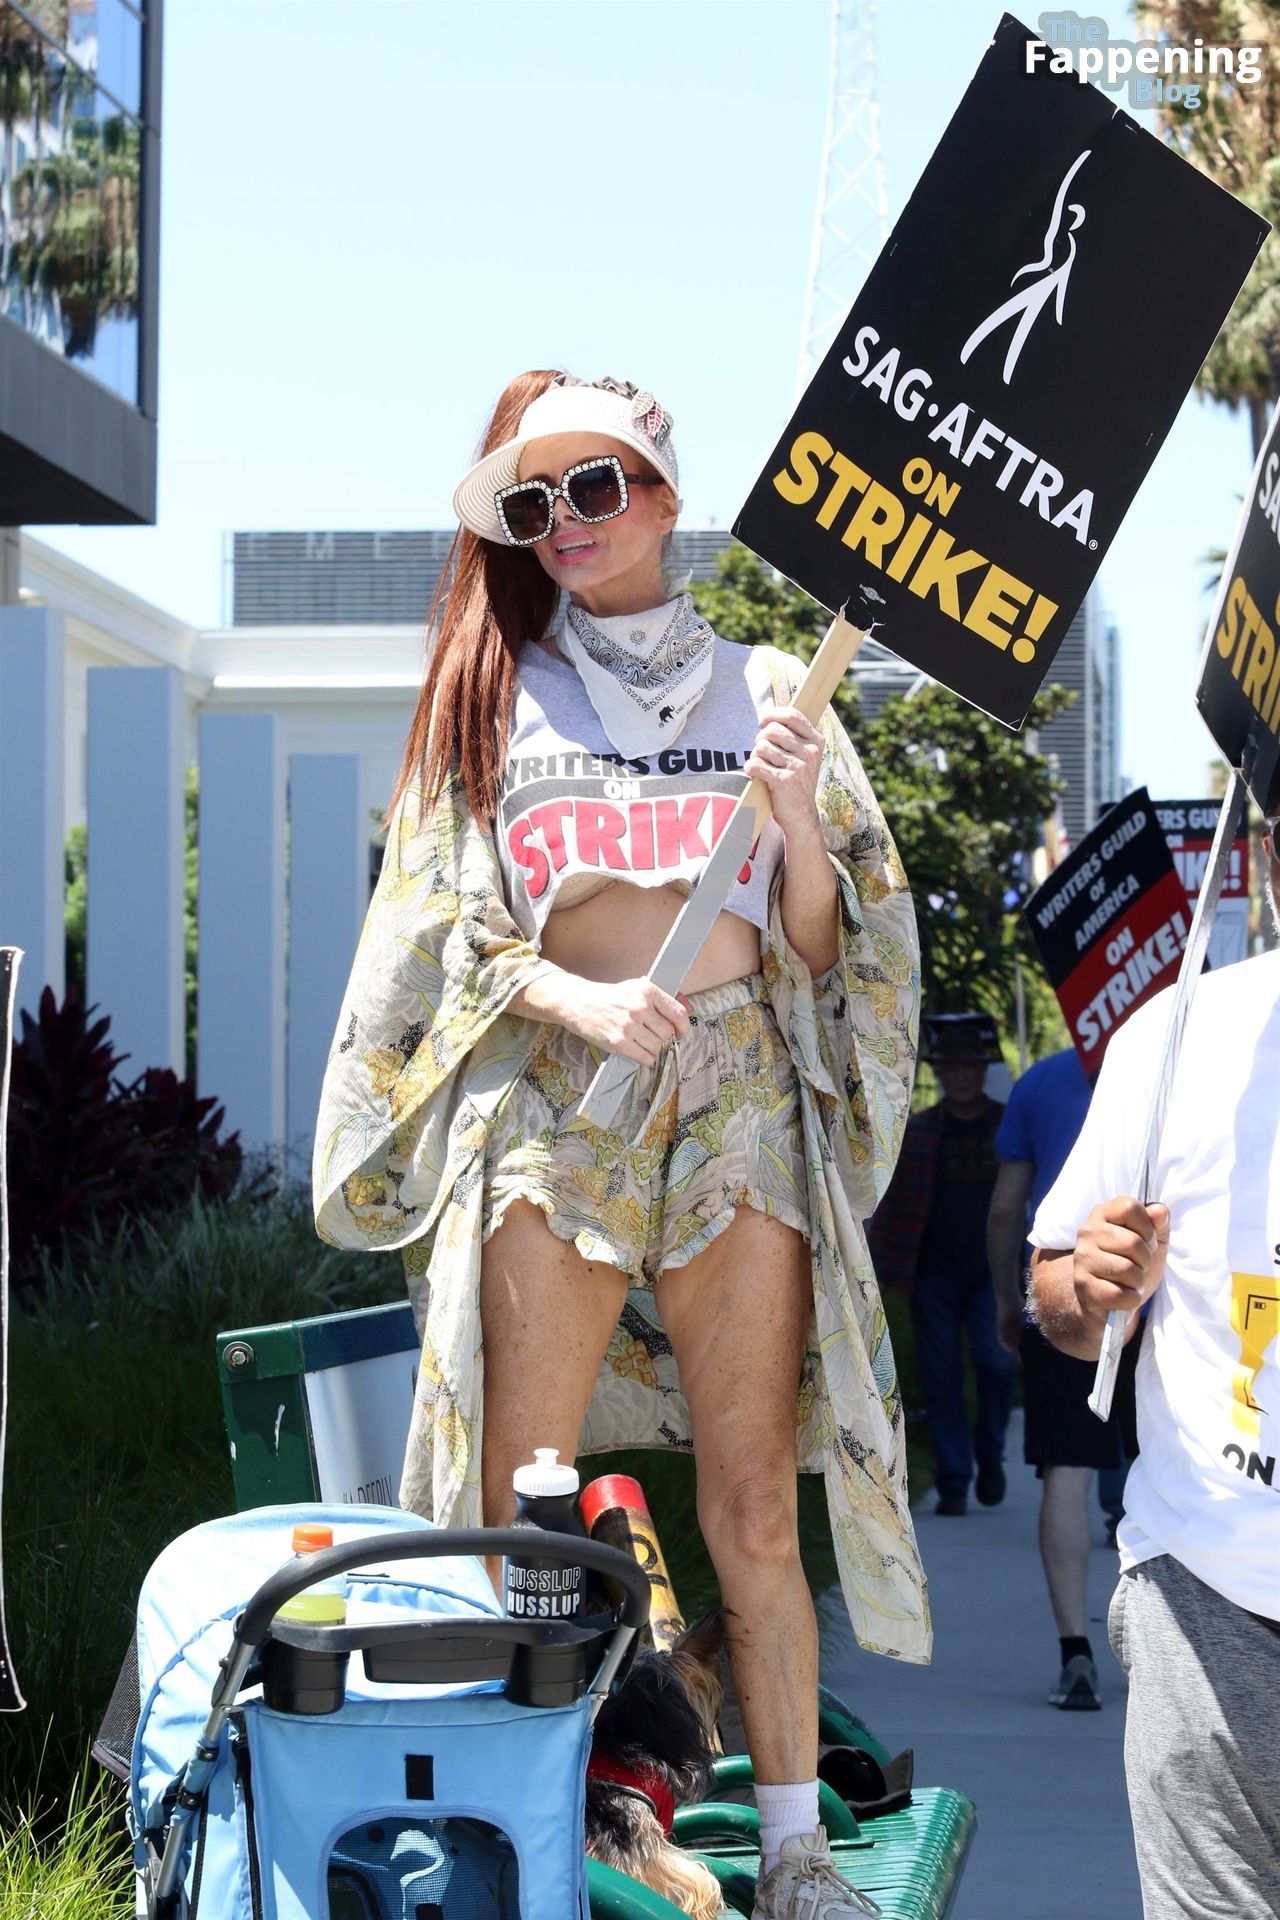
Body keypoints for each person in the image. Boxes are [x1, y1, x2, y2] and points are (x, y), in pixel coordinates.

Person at [313, 369, 927, 1919]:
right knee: (528, 1497)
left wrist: (792, 817)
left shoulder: (779, 685)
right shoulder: (489, 693)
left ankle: (793, 1853)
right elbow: (446, 929)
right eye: (535, 504)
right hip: (552, 1104)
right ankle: (520, 1832)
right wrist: (577, 1001)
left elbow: (825, 941)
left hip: (735, 1101)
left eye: (595, 490)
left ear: (661, 496)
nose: (566, 525)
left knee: (745, 1505)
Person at [1027, 815, 1280, 1919]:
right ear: (1268, 859)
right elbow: (1054, 1299)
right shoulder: (1176, 1038)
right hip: (1204, 1595)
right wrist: (1086, 1285)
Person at [987, 1044, 1142, 1711]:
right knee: (1169, 1464)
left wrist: (1006, 1300)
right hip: (1165, 1287)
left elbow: (1004, 1210)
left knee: (1068, 1473)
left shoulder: (1041, 1081)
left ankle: (1076, 1651)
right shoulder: (1183, 1058)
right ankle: (1177, 1656)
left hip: (1066, 1285)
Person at [867, 1013, 1015, 1516]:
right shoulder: (923, 1130)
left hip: (992, 1273)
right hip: (932, 1273)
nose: (960, 1075)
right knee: (941, 1372)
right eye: (950, 1067)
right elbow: (889, 1205)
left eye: (969, 1066)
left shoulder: (1006, 1126)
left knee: (998, 1364)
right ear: (940, 1073)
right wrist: (881, 1272)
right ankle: (955, 1479)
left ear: (982, 1070)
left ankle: (990, 1453)